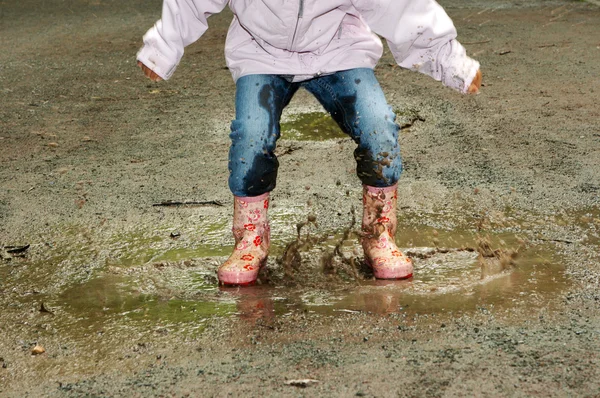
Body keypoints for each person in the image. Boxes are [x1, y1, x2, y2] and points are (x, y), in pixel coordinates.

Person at [137, 0, 482, 286]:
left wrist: (449, 60)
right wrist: (164, 46)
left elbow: (400, 7)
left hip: (338, 50)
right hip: (262, 53)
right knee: (251, 136)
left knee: (378, 126)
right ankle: (250, 239)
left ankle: (379, 234)